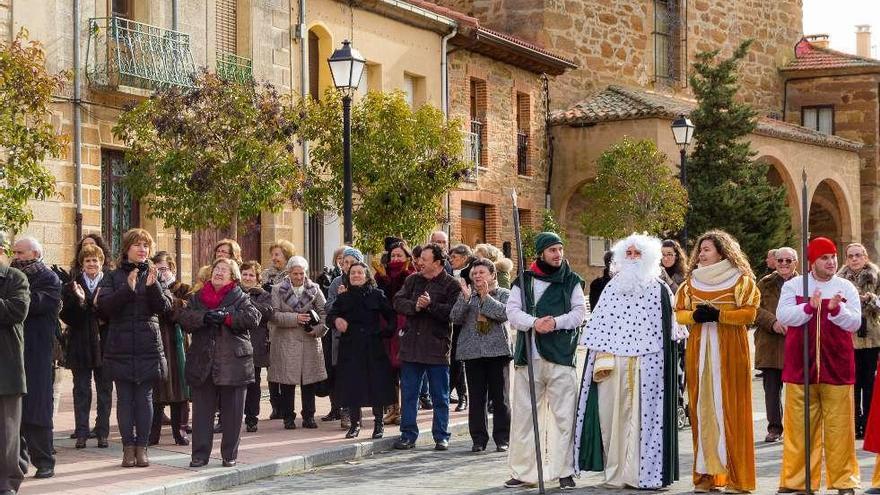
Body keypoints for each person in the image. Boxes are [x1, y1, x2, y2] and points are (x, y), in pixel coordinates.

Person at [574, 233, 683, 489]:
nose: (633, 258)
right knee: (612, 418)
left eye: (638, 254)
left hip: (649, 363)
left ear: (649, 258)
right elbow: (600, 326)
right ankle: (617, 473)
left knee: (646, 419)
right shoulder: (612, 288)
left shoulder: (660, 289)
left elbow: (667, 331)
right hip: (614, 363)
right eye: (629, 254)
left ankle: (642, 474)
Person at [674, 230, 759, 493]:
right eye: (701, 249)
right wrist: (694, 317)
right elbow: (679, 313)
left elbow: (750, 313)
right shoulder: (691, 282)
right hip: (699, 351)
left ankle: (737, 477)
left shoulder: (741, 280)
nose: (701, 254)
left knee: (731, 407)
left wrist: (720, 315)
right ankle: (706, 475)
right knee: (703, 409)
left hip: (730, 348)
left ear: (722, 252)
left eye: (707, 249)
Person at [776, 237, 861, 495]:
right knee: (799, 430)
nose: (831, 262)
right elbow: (784, 316)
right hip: (800, 368)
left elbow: (855, 323)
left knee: (840, 430)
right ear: (813, 261)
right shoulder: (794, 285)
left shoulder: (845, 287)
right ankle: (797, 481)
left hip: (837, 368)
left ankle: (844, 481)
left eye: (834, 256)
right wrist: (809, 307)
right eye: (825, 257)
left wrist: (836, 311)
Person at [505, 232, 586, 491]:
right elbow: (513, 312)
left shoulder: (571, 280)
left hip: (561, 356)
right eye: (552, 250)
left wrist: (555, 322)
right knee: (525, 416)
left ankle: (565, 471)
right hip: (529, 356)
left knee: (565, 417)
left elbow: (579, 313)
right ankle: (524, 471)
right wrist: (533, 322)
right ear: (541, 253)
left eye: (560, 249)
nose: (558, 254)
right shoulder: (523, 280)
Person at [97, 228, 172, 468]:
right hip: (120, 345)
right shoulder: (112, 275)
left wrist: (152, 287)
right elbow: (104, 309)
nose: (142, 250)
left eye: (146, 246)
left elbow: (164, 308)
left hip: (147, 345)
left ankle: (143, 447)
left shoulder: (154, 274)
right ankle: (128, 448)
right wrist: (126, 290)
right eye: (138, 245)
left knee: (145, 398)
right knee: (125, 398)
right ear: (127, 248)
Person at [178, 258, 260, 468]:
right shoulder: (198, 296)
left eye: (225, 270)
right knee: (202, 413)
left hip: (234, 363)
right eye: (217, 269)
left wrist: (227, 317)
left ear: (233, 277)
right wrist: (204, 317)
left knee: (232, 413)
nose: (219, 273)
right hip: (203, 362)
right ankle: (199, 455)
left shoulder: (241, 296)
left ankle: (229, 455)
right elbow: (184, 318)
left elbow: (253, 318)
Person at [393, 243, 461, 451]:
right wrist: (415, 306)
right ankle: (408, 435)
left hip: (437, 347)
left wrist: (430, 306)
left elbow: (452, 313)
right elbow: (397, 301)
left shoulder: (452, 285)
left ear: (438, 263)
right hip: (412, 347)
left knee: (440, 396)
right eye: (419, 258)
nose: (419, 262)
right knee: (409, 395)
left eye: (424, 259)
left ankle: (441, 435)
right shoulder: (413, 280)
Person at [327, 262, 396, 439]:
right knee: (353, 386)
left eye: (359, 273)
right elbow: (330, 316)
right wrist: (336, 321)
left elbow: (391, 317)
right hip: (350, 348)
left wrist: (384, 333)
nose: (356, 275)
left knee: (376, 385)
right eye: (352, 273)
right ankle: (355, 424)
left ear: (366, 276)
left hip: (373, 346)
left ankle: (378, 424)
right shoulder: (343, 297)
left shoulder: (377, 294)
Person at [11, 237, 61, 479]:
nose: (16, 257)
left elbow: (32, 305)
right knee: (13, 409)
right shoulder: (9, 277)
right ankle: (17, 461)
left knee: (38, 407)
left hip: (38, 352)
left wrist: (17, 298)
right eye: (14, 253)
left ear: (35, 253)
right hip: (12, 351)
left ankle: (44, 460)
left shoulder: (49, 279)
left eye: (20, 253)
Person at [450, 258, 512, 453]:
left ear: (492, 275)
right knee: (477, 399)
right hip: (472, 353)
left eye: (481, 273)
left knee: (500, 398)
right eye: (474, 273)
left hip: (497, 352)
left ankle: (502, 438)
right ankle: (478, 439)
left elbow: (503, 314)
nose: (477, 276)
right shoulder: (467, 295)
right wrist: (466, 300)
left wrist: (486, 298)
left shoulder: (504, 294)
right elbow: (455, 318)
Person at [60, 244, 112, 449]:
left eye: (95, 260)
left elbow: (114, 313)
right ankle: (81, 432)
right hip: (80, 344)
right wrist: (81, 303)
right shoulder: (72, 286)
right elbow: (66, 316)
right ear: (82, 264)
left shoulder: (109, 283)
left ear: (101, 262)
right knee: (81, 390)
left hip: (105, 344)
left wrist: (98, 307)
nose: (92, 264)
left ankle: (102, 433)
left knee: (105, 390)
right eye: (88, 260)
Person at [269, 256, 327, 430]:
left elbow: (325, 313)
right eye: (295, 274)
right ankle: (288, 417)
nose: (299, 277)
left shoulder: (315, 289)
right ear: (289, 273)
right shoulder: (277, 289)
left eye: (302, 273)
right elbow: (273, 315)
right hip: (285, 342)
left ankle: (309, 416)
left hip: (309, 340)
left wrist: (317, 330)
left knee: (308, 381)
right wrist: (296, 318)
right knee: (287, 382)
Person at [754, 247, 798, 444]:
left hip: (796, 342)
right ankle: (774, 428)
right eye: (780, 260)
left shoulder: (804, 284)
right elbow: (754, 309)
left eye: (788, 260)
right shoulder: (765, 283)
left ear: (795, 262)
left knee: (797, 390)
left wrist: (793, 320)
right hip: (770, 343)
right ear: (774, 261)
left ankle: (796, 427)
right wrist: (773, 322)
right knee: (771, 390)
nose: (784, 264)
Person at [148, 252, 191, 446]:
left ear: (172, 268)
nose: (161, 273)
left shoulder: (182, 288)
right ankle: (153, 433)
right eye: (157, 269)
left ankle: (180, 431)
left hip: (177, 344)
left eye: (163, 269)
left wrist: (171, 302)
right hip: (156, 342)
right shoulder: (149, 287)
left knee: (180, 389)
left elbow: (186, 310)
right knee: (157, 389)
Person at [837, 242, 880, 439]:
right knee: (851, 382)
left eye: (858, 255)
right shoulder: (839, 279)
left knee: (869, 382)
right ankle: (854, 423)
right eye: (850, 256)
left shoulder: (876, 274)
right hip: (848, 337)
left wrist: (871, 299)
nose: (854, 259)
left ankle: (868, 424)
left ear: (865, 257)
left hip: (871, 337)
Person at [374, 240, 416, 426]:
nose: (396, 259)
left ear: (407, 257)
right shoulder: (380, 274)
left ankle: (407, 411)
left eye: (399, 255)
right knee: (388, 371)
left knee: (405, 370)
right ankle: (392, 409)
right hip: (387, 325)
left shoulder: (412, 274)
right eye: (393, 255)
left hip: (404, 325)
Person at [0, 232, 29, 493]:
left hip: (6, 367)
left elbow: (17, 311)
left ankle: (8, 482)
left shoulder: (16, 278)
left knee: (7, 431)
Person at [322, 247, 364, 427]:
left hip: (361, 337)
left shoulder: (366, 281)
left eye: (351, 262)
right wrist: (340, 299)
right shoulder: (336, 283)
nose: (347, 266)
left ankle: (358, 413)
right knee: (343, 375)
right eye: (344, 262)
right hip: (340, 338)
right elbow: (329, 308)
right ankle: (345, 412)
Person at [239, 261, 273, 432]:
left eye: (251, 275)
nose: (247, 278)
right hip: (235, 345)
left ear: (257, 278)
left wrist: (247, 301)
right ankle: (232, 416)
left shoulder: (264, 295)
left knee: (253, 383)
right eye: (244, 274)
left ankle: (252, 417)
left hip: (255, 345)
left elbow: (267, 313)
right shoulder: (233, 292)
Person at [449, 244, 475, 412]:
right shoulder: (448, 273)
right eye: (450, 258)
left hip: (470, 322)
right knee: (455, 359)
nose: (451, 260)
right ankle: (461, 396)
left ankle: (465, 396)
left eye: (455, 258)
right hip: (454, 321)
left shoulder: (473, 272)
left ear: (465, 258)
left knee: (463, 360)